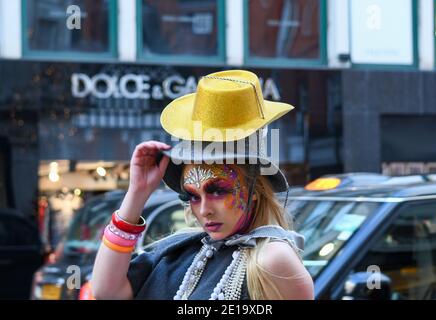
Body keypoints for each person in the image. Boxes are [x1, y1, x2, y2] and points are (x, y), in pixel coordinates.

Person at [92, 70, 314, 300]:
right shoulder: (179, 249)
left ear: (255, 189)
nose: (204, 209)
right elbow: (107, 292)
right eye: (193, 196)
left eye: (218, 191)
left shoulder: (272, 259)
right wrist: (137, 193)